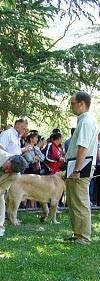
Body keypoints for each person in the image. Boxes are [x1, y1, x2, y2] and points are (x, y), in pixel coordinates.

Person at [64, 91, 99, 245]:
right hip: (75, 167)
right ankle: (78, 234)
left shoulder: (86, 122)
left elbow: (83, 148)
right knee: (73, 201)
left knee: (80, 202)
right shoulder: (85, 120)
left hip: (79, 169)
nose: (71, 106)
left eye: (72, 103)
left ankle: (84, 237)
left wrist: (77, 170)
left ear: (81, 103)